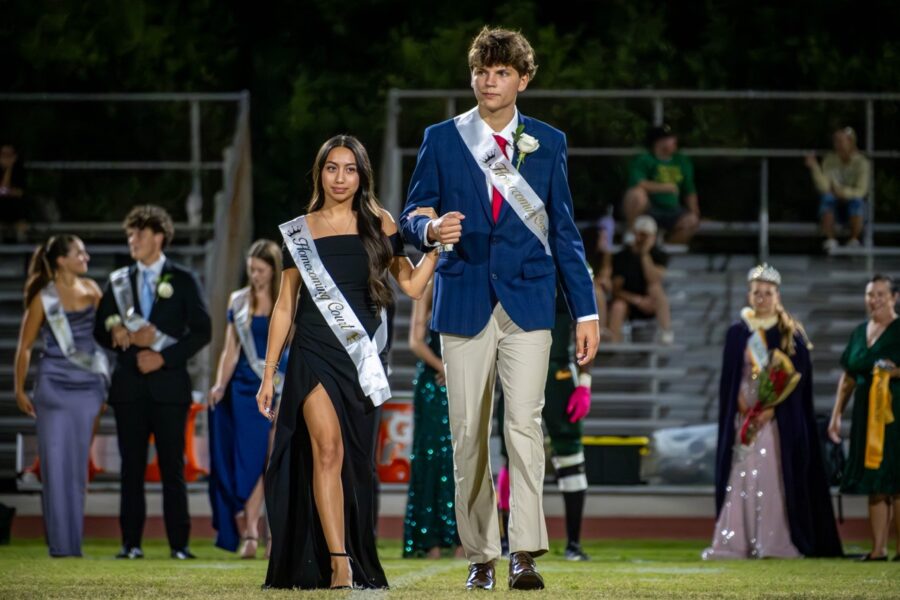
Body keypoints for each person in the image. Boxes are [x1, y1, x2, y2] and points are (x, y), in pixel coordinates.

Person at [400, 27, 600, 591]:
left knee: (525, 426)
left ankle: (525, 553)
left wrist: (586, 314)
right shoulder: (442, 138)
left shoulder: (548, 142)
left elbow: (564, 233)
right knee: (466, 432)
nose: (491, 81)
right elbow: (414, 209)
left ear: (523, 79)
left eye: (503, 72)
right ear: (473, 76)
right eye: (483, 71)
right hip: (463, 297)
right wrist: (429, 227)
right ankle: (481, 552)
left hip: (530, 302)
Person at [256, 135, 439, 590]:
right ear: (320, 173)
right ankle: (338, 561)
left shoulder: (381, 223)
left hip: (361, 358)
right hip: (314, 351)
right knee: (327, 450)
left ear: (363, 175)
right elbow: (284, 305)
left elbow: (412, 287)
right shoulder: (298, 230)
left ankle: (349, 552)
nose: (340, 178)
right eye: (332, 168)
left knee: (355, 463)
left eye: (350, 169)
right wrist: (269, 372)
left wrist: (438, 246)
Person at [93, 205, 211, 560]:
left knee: (172, 468)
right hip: (128, 386)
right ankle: (130, 543)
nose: (133, 241)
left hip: (169, 386)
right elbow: (99, 330)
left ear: (158, 237)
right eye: (130, 235)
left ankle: (180, 544)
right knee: (130, 468)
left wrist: (164, 356)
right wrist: (112, 330)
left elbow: (202, 331)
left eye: (139, 235)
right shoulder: (118, 280)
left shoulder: (183, 279)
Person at [704, 264, 843, 560]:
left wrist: (771, 409)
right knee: (741, 476)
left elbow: (798, 378)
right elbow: (731, 379)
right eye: (757, 292)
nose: (762, 298)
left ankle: (773, 539)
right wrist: (742, 405)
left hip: (775, 421)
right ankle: (738, 541)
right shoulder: (737, 332)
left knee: (772, 477)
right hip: (746, 416)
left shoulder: (790, 332)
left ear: (777, 295)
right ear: (749, 294)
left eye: (768, 293)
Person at [13, 235, 108, 557]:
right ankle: (59, 546)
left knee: (77, 468)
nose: (86, 257)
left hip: (87, 386)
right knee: (54, 467)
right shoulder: (44, 298)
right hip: (54, 386)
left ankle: (73, 545)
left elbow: (108, 329)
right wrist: (18, 387)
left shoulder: (93, 290)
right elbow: (24, 347)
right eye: (80, 252)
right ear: (61, 260)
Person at [496, 283, 594, 562]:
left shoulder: (569, 264)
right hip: (517, 368)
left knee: (571, 458)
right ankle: (507, 540)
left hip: (559, 371)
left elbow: (587, 324)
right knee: (511, 456)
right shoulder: (512, 253)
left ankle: (574, 543)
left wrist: (585, 383)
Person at [207, 239, 287, 557]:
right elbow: (231, 350)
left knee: (272, 460)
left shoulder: (286, 299)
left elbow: (292, 347)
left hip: (279, 385)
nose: (254, 276)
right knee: (251, 459)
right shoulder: (238, 301)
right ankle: (252, 532)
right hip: (244, 390)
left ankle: (269, 534)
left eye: (261, 270)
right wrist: (218, 385)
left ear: (273, 270)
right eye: (251, 270)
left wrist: (288, 390)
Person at [828, 274, 900, 561]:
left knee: (897, 483)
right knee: (875, 483)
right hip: (866, 417)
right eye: (871, 294)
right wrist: (836, 416)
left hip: (895, 417)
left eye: (881, 294)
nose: (875, 299)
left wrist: (895, 372)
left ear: (894, 297)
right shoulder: (859, 332)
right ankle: (878, 549)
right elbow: (848, 378)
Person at [402, 278, 461, 558]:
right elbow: (415, 341)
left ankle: (463, 539)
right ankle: (431, 541)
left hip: (461, 379)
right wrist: (445, 369)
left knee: (461, 458)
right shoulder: (428, 288)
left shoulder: (468, 280)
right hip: (433, 385)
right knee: (430, 459)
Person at [622, 124, 699, 244]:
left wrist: (695, 212)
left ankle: (665, 254)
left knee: (692, 221)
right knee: (635, 194)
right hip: (649, 209)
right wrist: (665, 188)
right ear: (658, 142)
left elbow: (690, 191)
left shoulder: (682, 161)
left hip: (673, 210)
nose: (674, 141)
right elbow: (637, 183)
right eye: (669, 138)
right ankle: (631, 236)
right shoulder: (644, 159)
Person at [805, 127, 871, 252]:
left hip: (852, 203)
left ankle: (854, 240)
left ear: (851, 142)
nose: (837, 145)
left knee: (857, 202)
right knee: (827, 199)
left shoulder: (862, 163)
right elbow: (824, 187)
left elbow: (862, 191)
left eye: (841, 141)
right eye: (835, 141)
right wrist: (814, 167)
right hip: (835, 201)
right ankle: (830, 240)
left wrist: (842, 193)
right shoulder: (830, 160)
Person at [609, 215, 673, 344]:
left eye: (645, 235)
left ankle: (666, 330)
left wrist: (644, 254)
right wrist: (638, 301)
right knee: (618, 306)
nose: (640, 239)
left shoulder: (659, 255)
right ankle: (613, 343)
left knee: (655, 288)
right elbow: (616, 290)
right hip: (628, 301)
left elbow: (653, 279)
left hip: (651, 301)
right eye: (639, 234)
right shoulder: (622, 256)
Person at [0, 143, 28, 241]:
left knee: (22, 224)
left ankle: (23, 248)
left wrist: (10, 168)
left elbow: (20, 192)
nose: (6, 158)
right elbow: (3, 190)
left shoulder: (19, 170)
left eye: (9, 155)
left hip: (16, 208)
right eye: (3, 154)